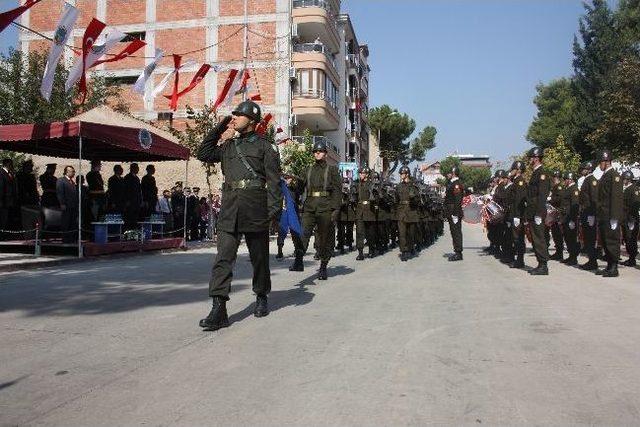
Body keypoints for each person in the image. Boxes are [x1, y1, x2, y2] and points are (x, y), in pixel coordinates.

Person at [196, 101, 282, 331]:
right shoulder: (228, 146)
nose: (234, 117)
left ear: (252, 121)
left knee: (259, 258)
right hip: (230, 208)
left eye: (238, 115)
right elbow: (203, 153)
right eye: (232, 115)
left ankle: (262, 295)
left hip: (255, 208)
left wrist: (272, 213)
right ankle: (219, 308)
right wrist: (221, 125)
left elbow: (274, 183)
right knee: (223, 259)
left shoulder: (266, 147)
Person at [288, 139, 341, 280]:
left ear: (325, 154)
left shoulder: (333, 170)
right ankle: (299, 261)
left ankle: (323, 266)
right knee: (303, 234)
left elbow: (337, 191)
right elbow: (300, 189)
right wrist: (291, 185)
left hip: (326, 207)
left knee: (324, 238)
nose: (317, 153)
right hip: (310, 206)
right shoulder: (307, 170)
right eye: (315, 151)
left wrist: (335, 209)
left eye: (320, 151)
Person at [595, 150, 623, 277]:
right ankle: (609, 265)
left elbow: (616, 198)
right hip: (603, 214)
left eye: (600, 162)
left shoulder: (614, 175)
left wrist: (614, 217)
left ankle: (614, 267)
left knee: (612, 241)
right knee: (605, 241)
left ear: (606, 161)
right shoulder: (605, 176)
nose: (599, 165)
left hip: (610, 215)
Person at [525, 147, 550, 275]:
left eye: (530, 158)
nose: (529, 160)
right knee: (535, 238)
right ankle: (540, 263)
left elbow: (542, 195)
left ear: (536, 158)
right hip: (533, 211)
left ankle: (543, 265)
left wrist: (539, 213)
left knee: (539, 238)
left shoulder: (542, 173)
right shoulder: (535, 173)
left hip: (537, 212)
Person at [396, 165, 420, 261]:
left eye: (402, 173)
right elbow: (396, 199)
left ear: (407, 174)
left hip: (411, 211)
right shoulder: (398, 186)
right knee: (402, 233)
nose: (401, 175)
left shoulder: (413, 186)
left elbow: (418, 201)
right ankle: (404, 251)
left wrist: (413, 198)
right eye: (400, 173)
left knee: (411, 233)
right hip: (401, 212)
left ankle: (411, 247)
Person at [578, 161, 599, 271]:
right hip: (586, 213)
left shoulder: (592, 181)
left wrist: (592, 214)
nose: (582, 170)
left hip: (590, 213)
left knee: (590, 239)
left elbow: (594, 199)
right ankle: (591, 260)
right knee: (587, 239)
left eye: (583, 168)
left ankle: (593, 262)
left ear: (589, 169)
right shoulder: (587, 180)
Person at [354, 166, 378, 260]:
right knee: (359, 232)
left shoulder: (372, 184)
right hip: (360, 210)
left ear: (367, 174)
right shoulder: (357, 184)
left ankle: (371, 250)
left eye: (362, 173)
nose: (360, 175)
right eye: (359, 173)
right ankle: (360, 252)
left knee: (370, 233)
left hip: (369, 210)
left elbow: (377, 198)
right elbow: (354, 197)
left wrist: (374, 198)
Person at [509, 160, 528, 269]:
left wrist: (517, 216)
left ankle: (520, 260)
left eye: (513, 169)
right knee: (516, 238)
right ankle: (519, 260)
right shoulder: (516, 181)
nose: (511, 171)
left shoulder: (520, 182)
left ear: (518, 170)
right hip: (515, 213)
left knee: (518, 238)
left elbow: (519, 200)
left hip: (518, 214)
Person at [444, 166, 464, 261]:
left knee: (456, 232)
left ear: (453, 173)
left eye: (449, 173)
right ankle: (457, 251)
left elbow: (457, 199)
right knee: (454, 232)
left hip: (454, 211)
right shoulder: (452, 183)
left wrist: (455, 213)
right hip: (450, 210)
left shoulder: (456, 184)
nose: (447, 175)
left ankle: (458, 253)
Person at [560, 172, 580, 266]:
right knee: (567, 238)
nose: (564, 181)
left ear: (570, 179)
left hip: (570, 217)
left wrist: (573, 219)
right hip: (565, 217)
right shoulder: (567, 188)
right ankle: (570, 256)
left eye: (565, 179)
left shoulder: (574, 189)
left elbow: (574, 205)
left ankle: (574, 258)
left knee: (572, 238)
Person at [56, 165, 79, 243]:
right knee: (66, 222)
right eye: (72, 171)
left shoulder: (72, 181)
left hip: (73, 206)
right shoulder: (61, 180)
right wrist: (62, 203)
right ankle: (65, 239)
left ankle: (72, 238)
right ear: (67, 172)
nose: (74, 173)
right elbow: (60, 193)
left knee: (73, 222)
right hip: (66, 206)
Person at [621, 170, 639, 267]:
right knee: (626, 238)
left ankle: (632, 259)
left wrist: (632, 219)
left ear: (628, 179)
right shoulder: (624, 189)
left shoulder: (633, 189)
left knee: (631, 239)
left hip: (631, 219)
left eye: (624, 179)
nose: (623, 181)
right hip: (624, 218)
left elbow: (635, 206)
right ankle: (630, 258)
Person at [548, 170, 565, 261]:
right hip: (554, 213)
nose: (553, 179)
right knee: (555, 233)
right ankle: (558, 252)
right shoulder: (555, 187)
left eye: (554, 178)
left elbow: (559, 198)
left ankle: (560, 253)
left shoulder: (559, 187)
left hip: (558, 213)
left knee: (558, 234)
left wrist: (551, 199)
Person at [336, 177, 356, 254]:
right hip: (341, 213)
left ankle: (350, 244)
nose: (345, 185)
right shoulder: (339, 192)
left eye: (346, 183)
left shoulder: (351, 190)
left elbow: (355, 200)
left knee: (349, 230)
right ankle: (341, 245)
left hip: (350, 213)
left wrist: (350, 197)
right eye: (344, 183)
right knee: (341, 231)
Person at [0, 159, 18, 237]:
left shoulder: (10, 174)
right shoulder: (1, 173)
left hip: (11, 201)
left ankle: (7, 235)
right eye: (10, 164)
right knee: (3, 220)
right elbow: (1, 188)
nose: (12, 165)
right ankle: (2, 236)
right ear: (6, 164)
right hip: (4, 202)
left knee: (8, 219)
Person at [123, 163, 142, 230]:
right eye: (137, 168)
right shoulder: (127, 178)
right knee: (129, 217)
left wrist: (140, 200)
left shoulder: (137, 178)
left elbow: (139, 190)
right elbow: (125, 190)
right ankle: (128, 232)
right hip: (130, 201)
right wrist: (127, 200)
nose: (138, 170)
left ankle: (134, 231)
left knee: (135, 218)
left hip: (136, 201)